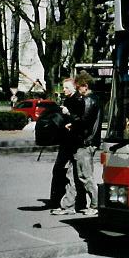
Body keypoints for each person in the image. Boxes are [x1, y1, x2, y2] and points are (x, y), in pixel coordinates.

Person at [51, 71, 101, 216]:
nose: (78, 90)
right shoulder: (92, 99)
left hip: (85, 143)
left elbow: (83, 122)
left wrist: (69, 116)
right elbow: (85, 122)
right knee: (73, 175)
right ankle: (68, 205)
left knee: (84, 176)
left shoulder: (89, 100)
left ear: (85, 86)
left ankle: (95, 205)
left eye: (78, 87)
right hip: (84, 142)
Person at [49, 78, 82, 208]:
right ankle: (59, 197)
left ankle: (69, 199)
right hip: (66, 140)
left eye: (67, 87)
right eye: (63, 87)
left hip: (72, 141)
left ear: (74, 88)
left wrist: (69, 115)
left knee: (72, 172)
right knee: (60, 169)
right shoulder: (68, 100)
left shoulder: (78, 100)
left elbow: (80, 120)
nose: (64, 90)